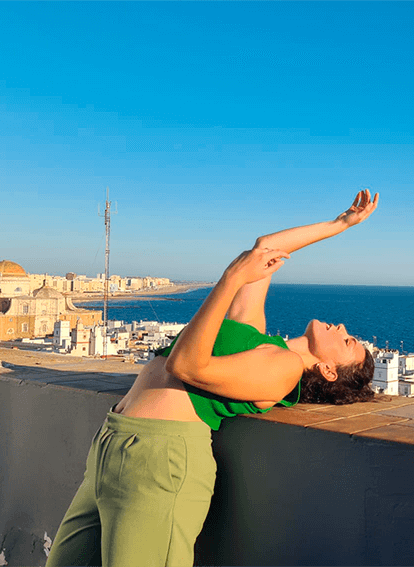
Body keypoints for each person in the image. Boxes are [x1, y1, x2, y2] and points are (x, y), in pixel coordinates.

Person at [46, 190, 379, 567]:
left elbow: (186, 366)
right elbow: (266, 248)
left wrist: (232, 278)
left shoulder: (284, 370)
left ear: (329, 370)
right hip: (115, 441)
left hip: (160, 460)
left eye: (348, 341)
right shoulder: (255, 336)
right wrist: (340, 224)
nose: (343, 328)